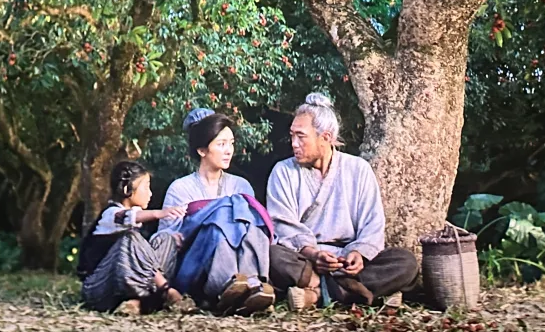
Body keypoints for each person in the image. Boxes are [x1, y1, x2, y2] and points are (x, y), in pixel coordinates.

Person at [265, 92, 419, 309]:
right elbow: (283, 226)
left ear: (325, 137)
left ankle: (317, 294)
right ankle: (351, 292)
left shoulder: (358, 169)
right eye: (292, 136)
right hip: (307, 260)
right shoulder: (283, 172)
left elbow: (372, 224)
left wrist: (358, 255)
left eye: (301, 136)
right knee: (271, 255)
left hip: (348, 259)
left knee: (406, 262)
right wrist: (313, 254)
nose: (294, 144)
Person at [162, 108, 276, 315]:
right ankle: (228, 286)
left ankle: (251, 284)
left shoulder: (241, 185)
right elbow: (166, 238)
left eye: (231, 143)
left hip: (241, 262)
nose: (229, 150)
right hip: (197, 266)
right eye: (221, 144)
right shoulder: (180, 188)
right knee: (221, 218)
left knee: (245, 215)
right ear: (202, 150)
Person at [77, 160, 189, 315]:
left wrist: (172, 239)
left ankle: (137, 301)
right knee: (130, 238)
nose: (150, 193)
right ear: (126, 189)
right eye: (146, 187)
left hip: (129, 285)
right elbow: (126, 217)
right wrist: (159, 213)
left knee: (165, 239)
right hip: (100, 290)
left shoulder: (135, 222)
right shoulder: (110, 215)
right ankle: (166, 291)